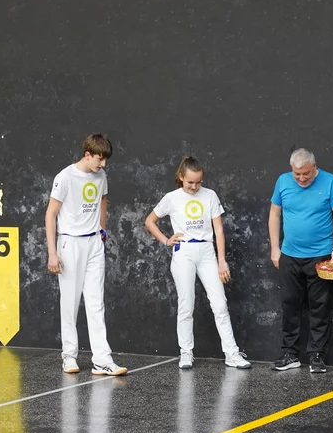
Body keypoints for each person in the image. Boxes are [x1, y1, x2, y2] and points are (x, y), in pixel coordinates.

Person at [145, 156, 252, 370]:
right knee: (186, 304)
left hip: (207, 252)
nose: (194, 187)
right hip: (183, 252)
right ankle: (186, 352)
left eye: (198, 182)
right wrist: (166, 240)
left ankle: (231, 353)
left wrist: (222, 261)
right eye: (190, 182)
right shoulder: (171, 198)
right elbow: (149, 221)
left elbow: (219, 230)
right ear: (181, 177)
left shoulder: (210, 195)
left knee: (220, 304)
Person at [44, 133, 127, 376]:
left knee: (96, 303)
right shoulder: (65, 177)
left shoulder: (101, 176)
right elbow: (50, 214)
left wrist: (102, 229)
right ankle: (69, 357)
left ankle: (102, 360)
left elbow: (103, 201)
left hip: (94, 244)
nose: (103, 164)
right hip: (70, 244)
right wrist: (52, 252)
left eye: (106, 160)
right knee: (70, 303)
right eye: (100, 159)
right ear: (87, 154)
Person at [268, 148, 333, 374]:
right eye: (297, 174)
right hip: (289, 255)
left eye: (306, 174)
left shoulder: (329, 181)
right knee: (289, 305)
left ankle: (317, 355)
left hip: (321, 255)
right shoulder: (283, 182)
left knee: (319, 306)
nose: (302, 178)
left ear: (315, 167)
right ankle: (290, 355)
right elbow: (274, 214)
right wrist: (275, 248)